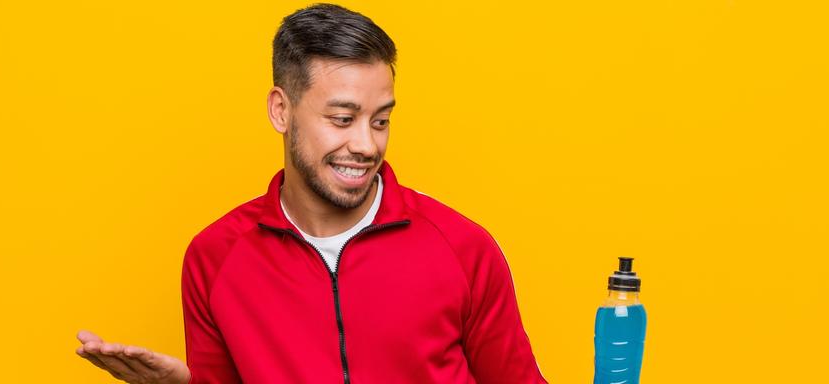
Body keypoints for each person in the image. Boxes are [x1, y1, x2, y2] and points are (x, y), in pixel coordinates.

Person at [76, 3, 547, 383]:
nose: (366, 145)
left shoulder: (464, 248)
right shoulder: (215, 258)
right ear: (281, 110)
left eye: (380, 120)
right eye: (342, 119)